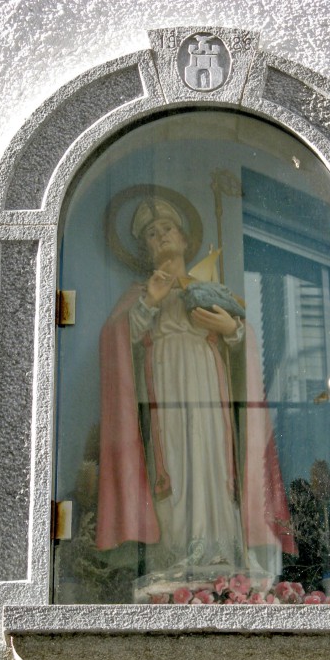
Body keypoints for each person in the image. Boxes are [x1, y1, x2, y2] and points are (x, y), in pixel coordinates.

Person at [96, 197, 295, 599]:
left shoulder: (210, 290)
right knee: (173, 463)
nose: (161, 236)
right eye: (151, 234)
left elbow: (244, 345)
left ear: (185, 239)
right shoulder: (140, 293)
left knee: (215, 462)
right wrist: (149, 302)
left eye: (167, 228)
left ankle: (224, 554)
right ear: (145, 248)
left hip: (210, 388)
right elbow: (117, 342)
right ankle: (175, 557)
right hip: (165, 390)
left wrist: (232, 329)